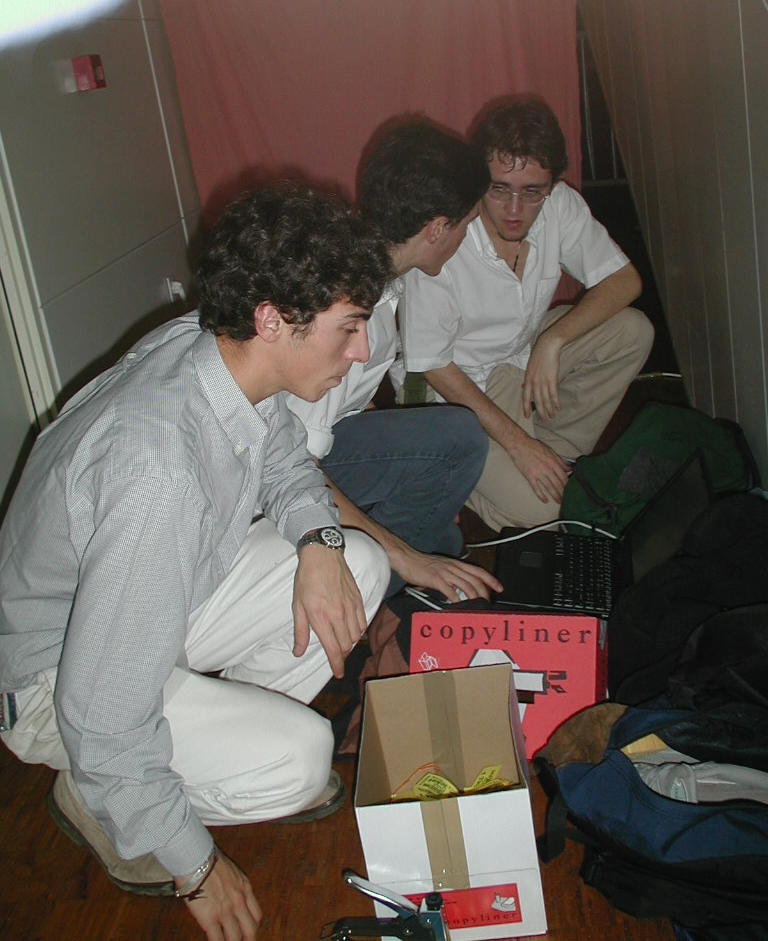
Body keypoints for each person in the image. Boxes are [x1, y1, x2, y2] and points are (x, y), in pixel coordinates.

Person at [0, 185, 393, 941]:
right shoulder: (159, 477)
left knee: (359, 565)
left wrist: (319, 541)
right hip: (59, 687)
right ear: (272, 320)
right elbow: (100, 717)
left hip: (140, 607)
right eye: (348, 328)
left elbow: (282, 453)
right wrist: (196, 866)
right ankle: (108, 800)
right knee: (302, 761)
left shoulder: (211, 343)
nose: (363, 351)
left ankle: (190, 749)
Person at [400, 96, 654, 531]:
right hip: (454, 394)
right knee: (550, 512)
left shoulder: (560, 205)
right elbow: (433, 366)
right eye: (499, 189)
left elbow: (625, 280)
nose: (515, 210)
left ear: (551, 185)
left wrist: (553, 341)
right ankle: (458, 472)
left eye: (532, 192)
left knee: (633, 331)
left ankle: (550, 453)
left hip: (520, 360)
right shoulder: (445, 235)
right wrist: (518, 445)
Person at [286, 120, 502, 602]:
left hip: (316, 443)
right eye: (466, 224)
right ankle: (368, 595)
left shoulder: (375, 271)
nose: (466, 236)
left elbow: (346, 401)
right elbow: (294, 465)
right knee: (460, 442)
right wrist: (407, 558)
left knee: (443, 538)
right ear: (437, 228)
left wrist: (417, 472)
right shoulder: (349, 307)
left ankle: (396, 571)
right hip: (278, 476)